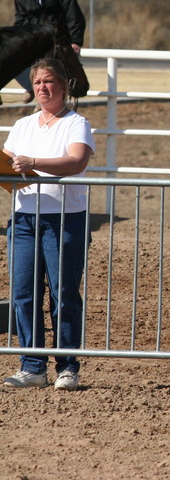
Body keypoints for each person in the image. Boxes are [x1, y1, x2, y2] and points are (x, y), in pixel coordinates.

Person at [3, 58, 95, 391]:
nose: (42, 88)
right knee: (24, 293)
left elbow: (76, 160)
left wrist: (34, 163)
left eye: (49, 81)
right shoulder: (22, 126)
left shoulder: (76, 123)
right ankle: (32, 365)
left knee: (64, 293)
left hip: (65, 219)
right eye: (37, 82)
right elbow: (9, 168)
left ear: (63, 85)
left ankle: (67, 366)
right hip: (25, 217)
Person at [13, 0, 86, 103]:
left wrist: (76, 40)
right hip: (32, 33)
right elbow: (21, 13)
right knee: (13, 59)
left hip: (56, 36)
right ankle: (31, 87)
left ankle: (54, 101)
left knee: (53, 71)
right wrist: (18, 35)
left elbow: (72, 11)